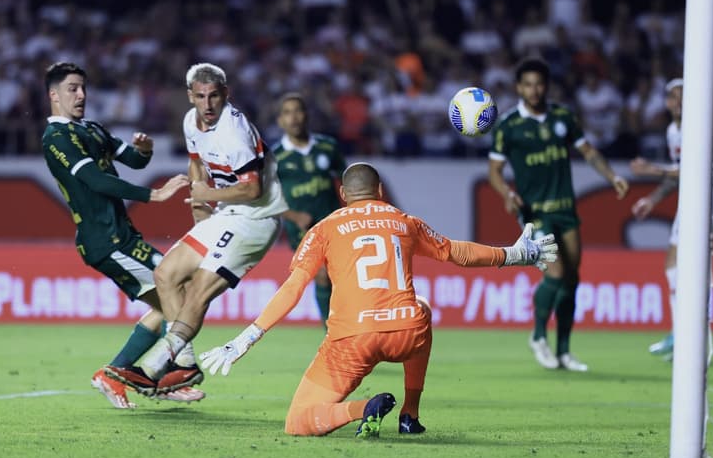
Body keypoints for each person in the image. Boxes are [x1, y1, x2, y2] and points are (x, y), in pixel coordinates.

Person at [196, 162, 558, 437]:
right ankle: (410, 415)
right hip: (406, 332)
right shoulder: (404, 221)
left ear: (342, 194)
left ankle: (360, 409)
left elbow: (293, 289)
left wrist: (247, 337)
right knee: (424, 311)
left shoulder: (324, 228)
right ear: (380, 190)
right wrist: (514, 255)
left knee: (298, 421)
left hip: (354, 339)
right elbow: (457, 253)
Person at [104, 62, 289, 395]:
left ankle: (156, 365)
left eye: (214, 96)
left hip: (256, 218)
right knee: (166, 275)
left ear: (225, 95)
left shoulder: (234, 133)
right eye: (201, 96)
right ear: (190, 96)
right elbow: (195, 161)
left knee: (200, 287)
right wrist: (202, 207)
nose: (207, 104)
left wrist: (208, 194)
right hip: (225, 214)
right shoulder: (191, 121)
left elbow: (253, 189)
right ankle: (185, 365)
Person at [41, 62, 203, 408]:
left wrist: (144, 150)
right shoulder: (56, 138)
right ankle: (174, 369)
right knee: (178, 288)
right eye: (72, 88)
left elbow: (133, 159)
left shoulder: (92, 130)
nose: (81, 94)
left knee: (168, 303)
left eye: (83, 87)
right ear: (54, 96)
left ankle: (122, 373)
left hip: (122, 236)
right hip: (105, 240)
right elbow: (96, 181)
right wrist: (153, 195)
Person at [488, 57, 630, 373]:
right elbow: (494, 170)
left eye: (539, 84)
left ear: (546, 86)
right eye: (527, 84)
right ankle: (539, 336)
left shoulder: (563, 118)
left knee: (572, 279)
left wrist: (612, 176)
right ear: (518, 87)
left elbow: (589, 151)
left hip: (565, 208)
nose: (534, 90)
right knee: (554, 273)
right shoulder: (509, 126)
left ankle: (564, 351)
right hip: (535, 213)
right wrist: (507, 194)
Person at [629, 78, 713, 360]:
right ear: (667, 102)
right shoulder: (673, 130)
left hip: (708, 202)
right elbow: (677, 175)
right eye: (674, 97)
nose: (678, 102)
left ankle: (691, 338)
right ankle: (681, 334)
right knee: (673, 266)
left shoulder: (700, 127)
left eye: (684, 97)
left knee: (691, 267)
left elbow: (693, 170)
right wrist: (652, 199)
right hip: (689, 202)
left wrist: (651, 169)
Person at [272, 92, 346, 325]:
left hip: (334, 223)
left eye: (297, 111)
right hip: (302, 230)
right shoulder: (275, 158)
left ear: (306, 115)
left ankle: (345, 328)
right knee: (323, 275)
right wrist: (293, 215)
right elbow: (264, 198)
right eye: (287, 113)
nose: (293, 117)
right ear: (280, 121)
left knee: (342, 278)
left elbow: (346, 181)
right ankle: (331, 333)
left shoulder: (328, 147)